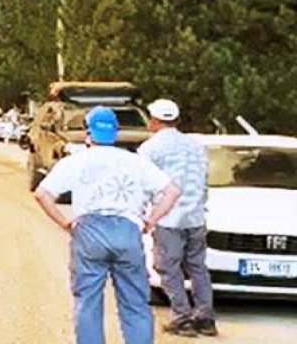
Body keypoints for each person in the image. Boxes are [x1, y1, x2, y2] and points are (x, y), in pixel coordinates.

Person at [34, 106, 182, 344]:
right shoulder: (135, 161)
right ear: (115, 132)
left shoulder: (76, 161)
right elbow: (172, 191)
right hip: (127, 230)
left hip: (89, 231)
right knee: (135, 303)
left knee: (88, 302)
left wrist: (65, 223)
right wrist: (151, 220)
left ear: (87, 132)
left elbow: (42, 194)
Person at [137, 99, 216, 337]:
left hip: (168, 217)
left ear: (153, 121)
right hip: (195, 216)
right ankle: (205, 318)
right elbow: (204, 180)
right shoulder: (196, 145)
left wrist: (144, 215)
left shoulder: (150, 148)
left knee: (168, 267)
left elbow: (143, 184)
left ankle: (182, 318)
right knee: (197, 267)